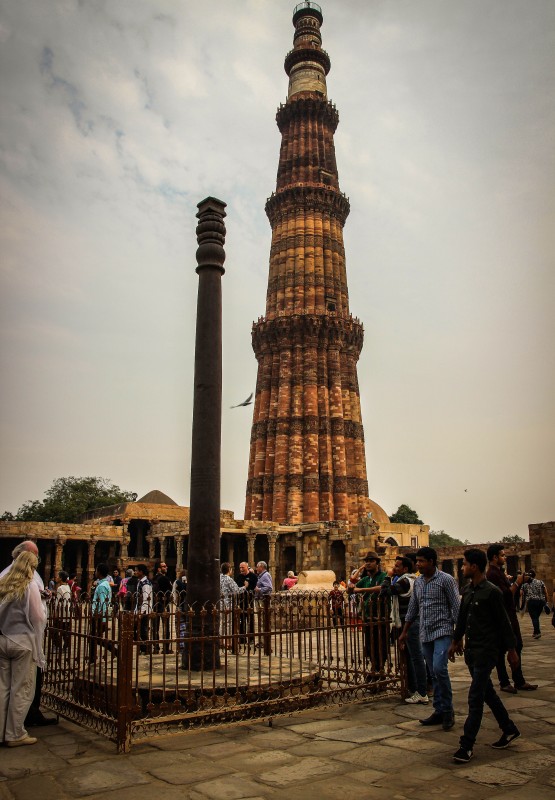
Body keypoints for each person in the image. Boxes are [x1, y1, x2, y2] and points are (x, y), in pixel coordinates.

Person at [449, 548, 521, 763]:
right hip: (472, 651)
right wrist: (455, 641)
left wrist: (512, 650)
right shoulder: (468, 591)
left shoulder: (491, 592)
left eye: (464, 564)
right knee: (487, 692)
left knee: (475, 697)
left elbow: (503, 623)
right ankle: (509, 729)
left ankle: (466, 745)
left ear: (475, 566)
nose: (462, 568)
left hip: (487, 651)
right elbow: (462, 620)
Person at [399, 546, 460, 731]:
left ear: (432, 562)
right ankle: (439, 710)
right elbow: (413, 608)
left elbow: (456, 608)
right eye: (417, 561)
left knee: (439, 669)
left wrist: (458, 638)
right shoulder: (418, 582)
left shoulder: (446, 580)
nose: (418, 564)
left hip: (442, 631)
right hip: (425, 632)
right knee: (433, 673)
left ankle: (448, 711)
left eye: (421, 561)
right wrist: (405, 631)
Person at [0, 540, 57, 728]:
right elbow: (37, 616)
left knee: (4, 688)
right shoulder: (30, 581)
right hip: (25, 640)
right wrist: (37, 640)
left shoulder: (3, 577)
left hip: (4, 637)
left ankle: (2, 729)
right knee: (22, 688)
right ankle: (16, 731)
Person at [486, 544, 537, 693]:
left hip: (509, 615)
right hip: (503, 617)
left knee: (516, 646)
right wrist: (517, 582)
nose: (505, 557)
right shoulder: (492, 574)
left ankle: (518, 680)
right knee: (502, 649)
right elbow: (505, 595)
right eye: (502, 555)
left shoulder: (498, 573)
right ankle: (505, 681)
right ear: (495, 557)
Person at [382, 556, 428, 704]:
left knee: (416, 658)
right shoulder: (416, 580)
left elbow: (385, 592)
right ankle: (414, 688)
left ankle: (421, 691)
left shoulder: (404, 581)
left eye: (397, 566)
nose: (394, 568)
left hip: (410, 624)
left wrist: (387, 577)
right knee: (410, 657)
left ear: (405, 569)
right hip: (412, 622)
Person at [352, 551, 388, 678]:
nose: (368, 563)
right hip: (368, 616)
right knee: (370, 645)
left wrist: (361, 590)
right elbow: (350, 588)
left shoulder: (383, 576)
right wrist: (355, 579)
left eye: (371, 561)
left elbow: (383, 588)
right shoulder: (366, 579)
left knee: (380, 644)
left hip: (381, 616)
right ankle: (374, 668)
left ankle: (380, 669)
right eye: (366, 561)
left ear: (377, 563)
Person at [89, 563, 116, 661]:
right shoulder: (104, 584)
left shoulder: (102, 586)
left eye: (96, 570)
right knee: (94, 637)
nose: (95, 572)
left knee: (97, 638)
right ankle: (92, 656)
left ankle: (115, 651)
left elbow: (103, 603)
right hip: (99, 615)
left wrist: (103, 618)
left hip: (99, 616)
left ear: (99, 572)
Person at [152, 562, 173, 654]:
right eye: (164, 566)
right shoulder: (164, 579)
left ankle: (156, 647)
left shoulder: (153, 579)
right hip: (163, 604)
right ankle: (166, 647)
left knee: (155, 627)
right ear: (159, 569)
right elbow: (170, 589)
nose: (166, 567)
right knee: (166, 627)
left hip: (155, 604)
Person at [522, 570, 548, 639]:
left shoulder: (525, 584)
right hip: (540, 601)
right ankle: (535, 632)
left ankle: (537, 632)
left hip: (531, 601)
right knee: (536, 617)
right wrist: (546, 602)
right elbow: (545, 592)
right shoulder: (540, 582)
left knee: (534, 617)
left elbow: (521, 593)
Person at [236, 562, 257, 643]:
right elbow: (237, 587)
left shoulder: (253, 576)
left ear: (247, 567)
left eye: (243, 567)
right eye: (240, 567)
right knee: (241, 620)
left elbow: (253, 586)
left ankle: (251, 638)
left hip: (249, 600)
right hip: (241, 600)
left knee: (250, 620)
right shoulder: (238, 577)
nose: (241, 569)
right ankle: (242, 638)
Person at [134, 564, 152, 654]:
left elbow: (146, 599)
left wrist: (141, 612)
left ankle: (145, 649)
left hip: (144, 611)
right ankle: (143, 648)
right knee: (138, 630)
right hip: (139, 609)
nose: (135, 572)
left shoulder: (146, 584)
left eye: (137, 570)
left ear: (141, 572)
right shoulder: (140, 582)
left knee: (142, 630)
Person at [219, 562, 239, 643]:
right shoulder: (229, 579)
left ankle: (220, 641)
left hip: (220, 603)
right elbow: (236, 590)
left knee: (221, 623)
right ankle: (228, 642)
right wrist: (245, 587)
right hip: (228, 604)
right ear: (229, 570)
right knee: (228, 623)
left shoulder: (219, 578)